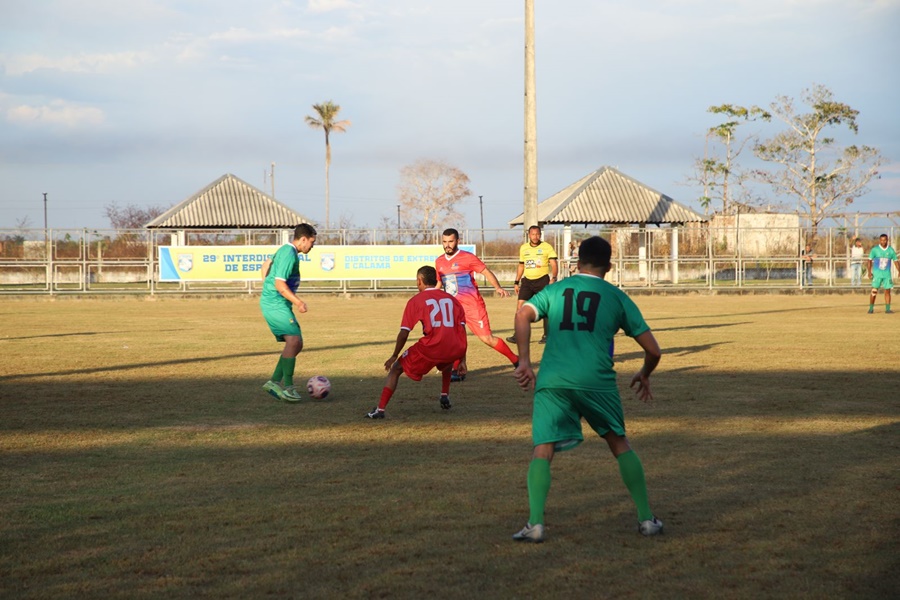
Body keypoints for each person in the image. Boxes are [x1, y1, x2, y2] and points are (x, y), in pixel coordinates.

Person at [511, 236, 663, 543]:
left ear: (577, 263)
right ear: (609, 266)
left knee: (543, 448)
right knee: (619, 443)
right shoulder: (616, 297)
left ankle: (536, 523)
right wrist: (645, 373)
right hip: (597, 381)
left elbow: (522, 314)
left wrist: (524, 361)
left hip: (554, 380)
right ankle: (647, 519)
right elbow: (654, 351)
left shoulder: (554, 290)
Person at [366, 265, 468, 419]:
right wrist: (462, 359)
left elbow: (404, 332)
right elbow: (461, 330)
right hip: (454, 348)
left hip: (432, 347)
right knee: (446, 361)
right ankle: (444, 395)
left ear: (420, 281)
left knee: (396, 369)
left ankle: (380, 410)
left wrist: (394, 355)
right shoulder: (453, 300)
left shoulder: (416, 300)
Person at [435, 228, 518, 380]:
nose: (447, 245)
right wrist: (430, 295)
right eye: (444, 242)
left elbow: (486, 272)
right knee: (455, 339)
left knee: (487, 339)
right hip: (453, 307)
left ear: (458, 241)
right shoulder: (439, 261)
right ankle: (458, 370)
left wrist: (497, 287)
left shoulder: (467, 258)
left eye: (451, 241)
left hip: (472, 305)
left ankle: (516, 360)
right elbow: (440, 282)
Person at [259, 223, 317, 401]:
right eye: (312, 242)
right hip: (275, 303)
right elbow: (279, 284)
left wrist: (266, 287)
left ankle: (274, 382)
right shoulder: (289, 254)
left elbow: (265, 265)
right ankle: (289, 387)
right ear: (303, 239)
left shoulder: (284, 250)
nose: (313, 246)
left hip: (277, 302)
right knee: (294, 341)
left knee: (297, 344)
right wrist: (298, 302)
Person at [506, 225, 558, 345]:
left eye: (537, 234)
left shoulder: (547, 247)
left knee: (546, 308)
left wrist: (553, 277)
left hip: (542, 280)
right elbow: (521, 265)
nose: (535, 236)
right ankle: (518, 335)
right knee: (520, 307)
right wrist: (516, 281)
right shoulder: (524, 248)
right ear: (529, 235)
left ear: (540, 234)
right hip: (527, 281)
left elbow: (554, 264)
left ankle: (547, 335)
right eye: (533, 234)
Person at [868, 233, 899, 314]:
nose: (883, 242)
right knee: (874, 291)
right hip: (877, 274)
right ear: (879, 240)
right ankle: (871, 308)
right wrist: (869, 272)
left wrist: (899, 270)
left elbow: (896, 261)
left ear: (887, 240)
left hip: (887, 275)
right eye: (881, 240)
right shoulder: (875, 250)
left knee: (887, 291)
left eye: (885, 240)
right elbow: (869, 260)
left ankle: (888, 309)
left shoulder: (891, 250)